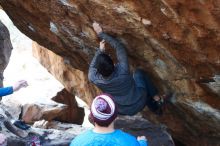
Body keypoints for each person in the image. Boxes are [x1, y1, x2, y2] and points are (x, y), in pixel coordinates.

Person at [88, 22, 168, 115]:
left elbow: (92, 66)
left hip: (123, 110)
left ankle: (156, 110)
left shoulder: (94, 78)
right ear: (113, 64)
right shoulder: (122, 69)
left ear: (98, 71)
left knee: (136, 93)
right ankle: (157, 99)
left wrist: (99, 51)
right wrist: (101, 34)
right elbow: (119, 47)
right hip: (140, 100)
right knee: (138, 73)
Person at [70, 94, 148, 146]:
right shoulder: (131, 142)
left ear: (92, 116)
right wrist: (142, 143)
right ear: (115, 116)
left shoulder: (77, 142)